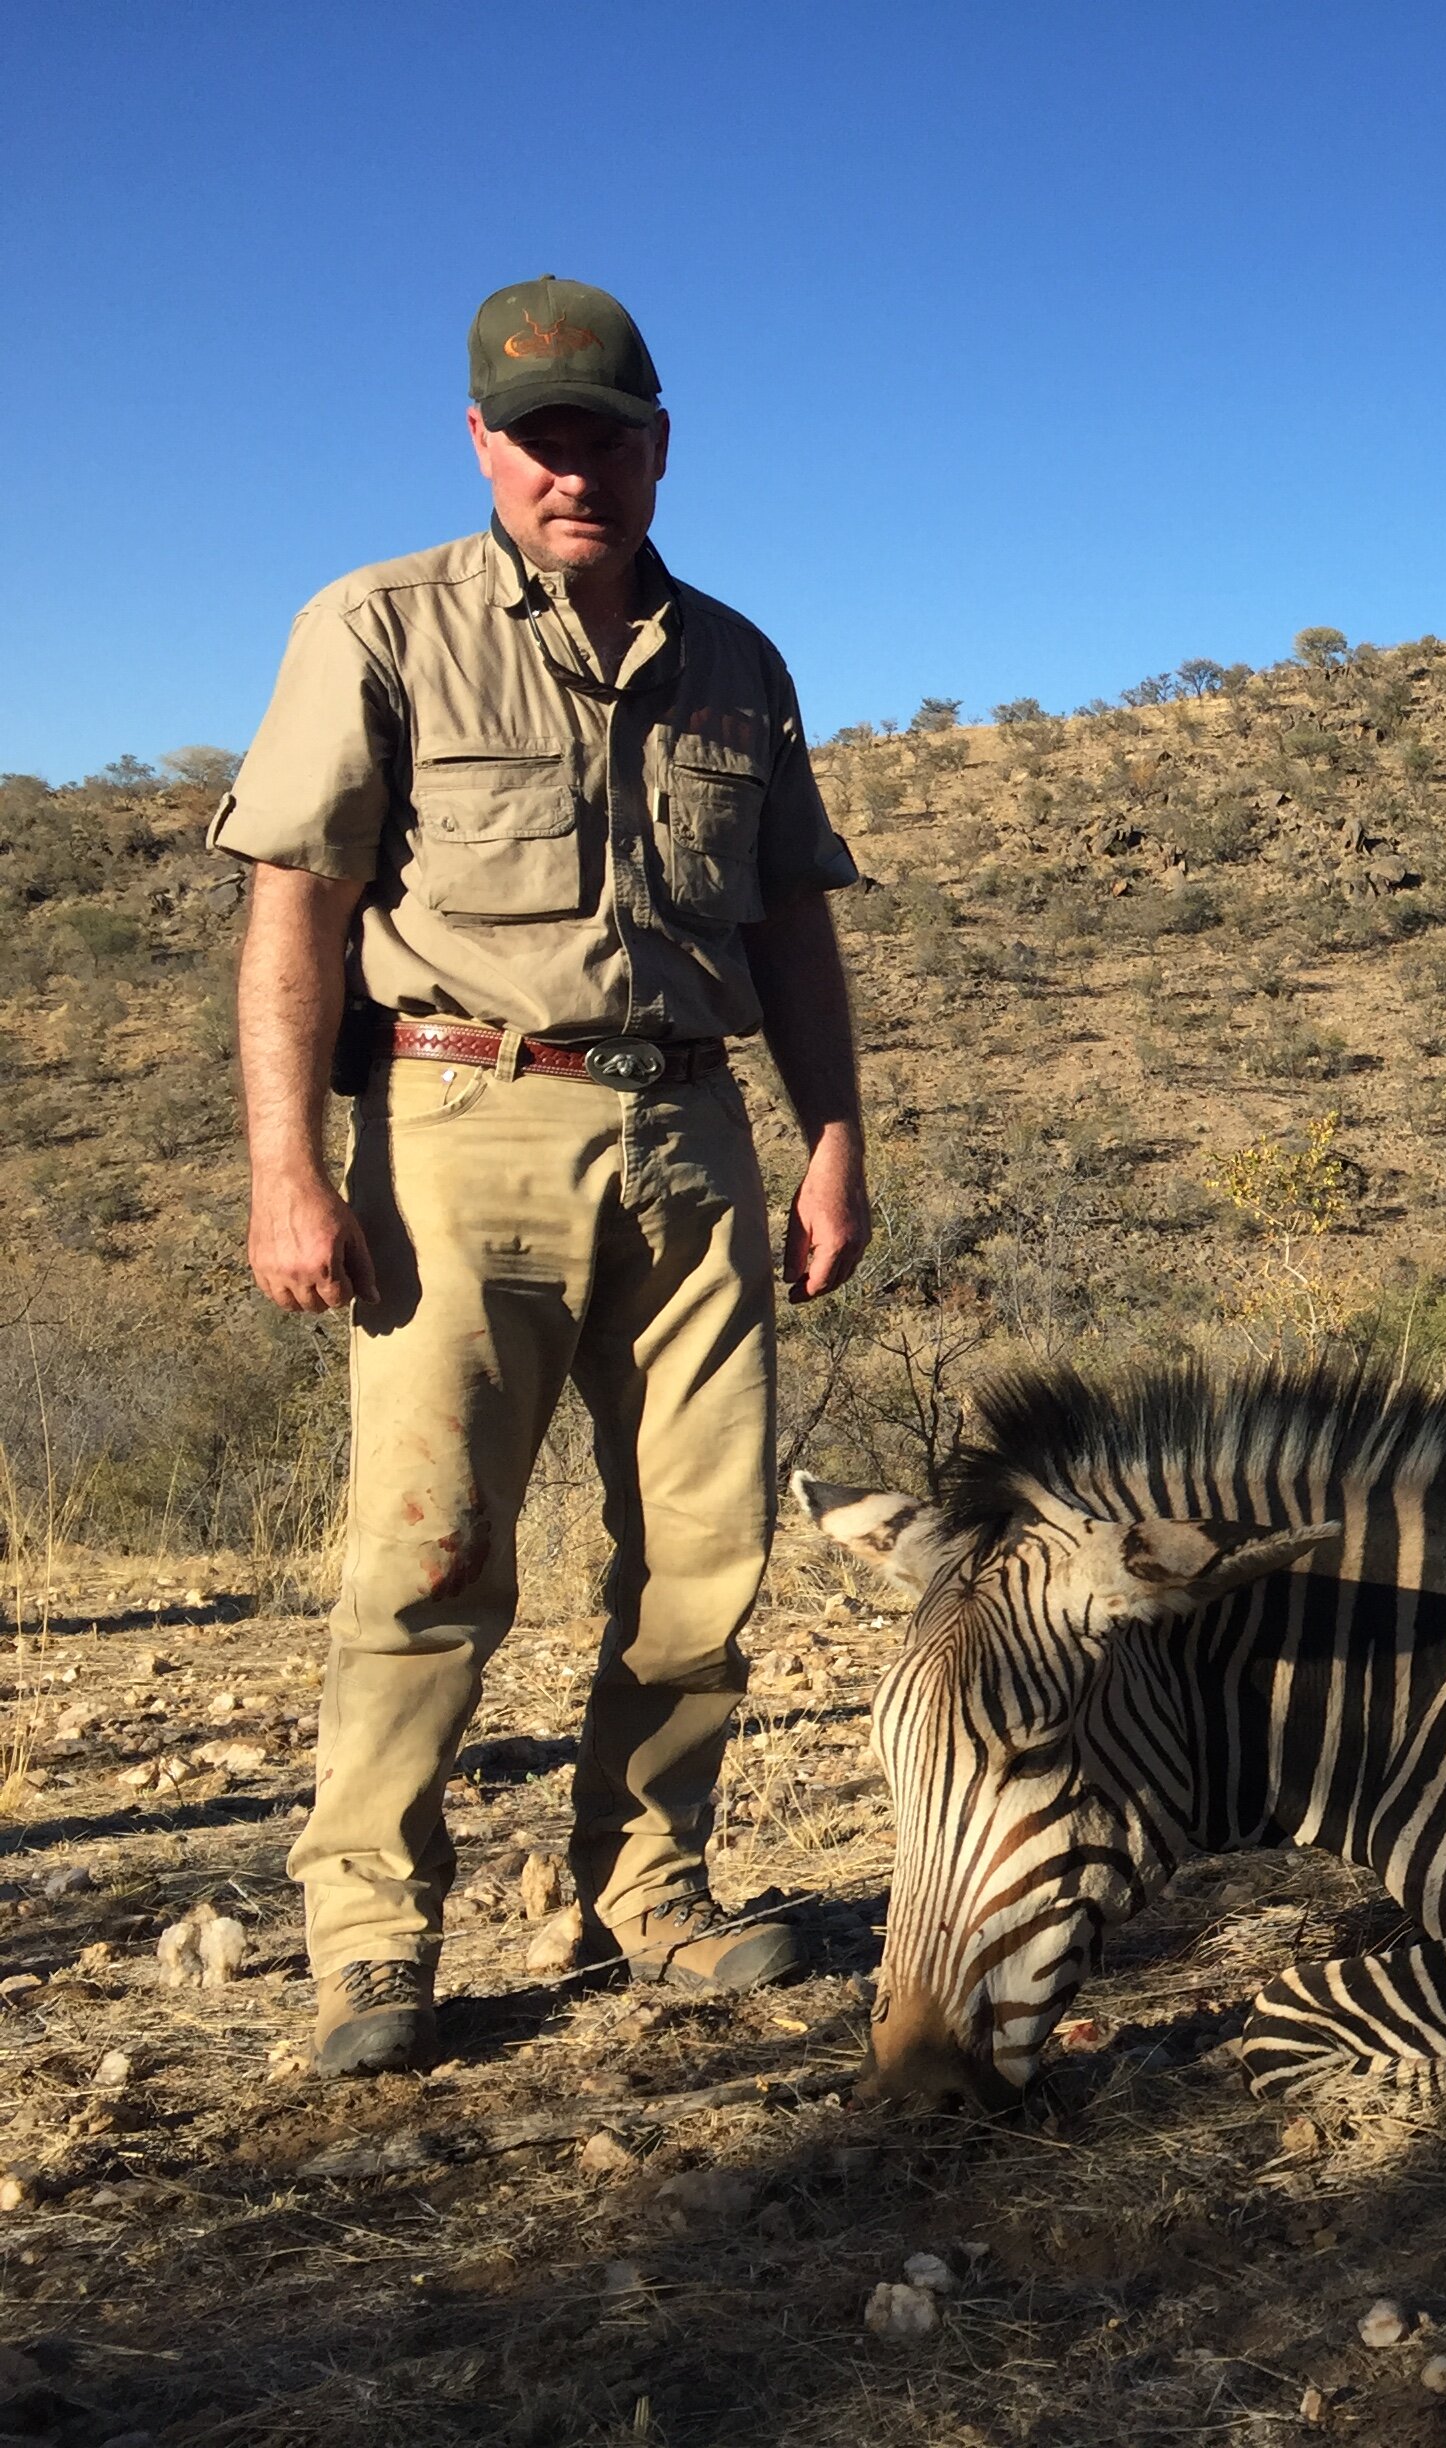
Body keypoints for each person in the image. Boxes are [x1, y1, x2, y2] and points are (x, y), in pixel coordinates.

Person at [214, 276, 873, 2076]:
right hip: (457, 1126)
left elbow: (794, 923)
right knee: (427, 1560)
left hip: (693, 1131)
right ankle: (369, 1935)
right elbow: (300, 908)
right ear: (484, 443)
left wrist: (830, 1141)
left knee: (706, 1554)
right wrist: (288, 1169)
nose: (571, 468)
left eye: (606, 436)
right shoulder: (376, 625)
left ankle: (648, 1888)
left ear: (660, 446)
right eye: (538, 437)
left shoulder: (736, 660)